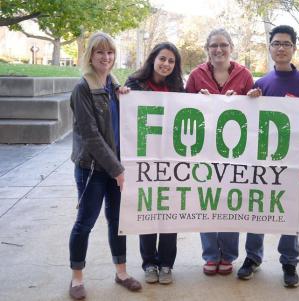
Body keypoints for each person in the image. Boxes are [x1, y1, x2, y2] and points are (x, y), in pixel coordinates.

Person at [236, 25, 299, 288]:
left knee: (288, 209)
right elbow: (247, 124)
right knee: (256, 208)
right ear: (270, 47)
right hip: (261, 161)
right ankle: (252, 257)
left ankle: (289, 261)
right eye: (276, 43)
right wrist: (250, 99)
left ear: (294, 48)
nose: (281, 48)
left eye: (286, 44)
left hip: (291, 162)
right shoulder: (260, 84)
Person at [68, 32, 141, 300]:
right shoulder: (82, 88)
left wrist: (126, 97)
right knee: (84, 222)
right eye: (100, 52)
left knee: (117, 222)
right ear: (90, 55)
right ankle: (77, 277)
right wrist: (118, 170)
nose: (106, 58)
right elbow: (91, 136)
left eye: (110, 53)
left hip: (116, 167)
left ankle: (121, 272)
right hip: (92, 169)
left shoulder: (113, 85)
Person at [186, 28, 254, 275]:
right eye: (213, 45)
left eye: (223, 45)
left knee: (230, 201)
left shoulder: (245, 74)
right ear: (207, 48)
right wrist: (197, 99)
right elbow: (183, 108)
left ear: (231, 47)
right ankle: (211, 255)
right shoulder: (196, 75)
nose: (218, 49)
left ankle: (228, 255)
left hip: (234, 152)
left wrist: (248, 98)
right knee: (207, 202)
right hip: (204, 152)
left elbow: (254, 110)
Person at [125, 42, 184, 285]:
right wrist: (123, 97)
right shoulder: (133, 85)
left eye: (171, 61)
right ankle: (149, 263)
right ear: (153, 59)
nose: (166, 64)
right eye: (163, 59)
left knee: (170, 213)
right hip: (144, 162)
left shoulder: (179, 89)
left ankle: (167, 264)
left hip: (171, 162)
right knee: (147, 211)